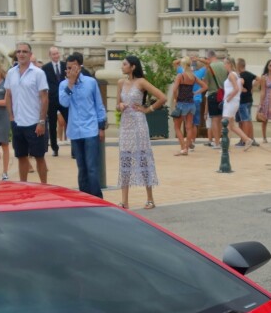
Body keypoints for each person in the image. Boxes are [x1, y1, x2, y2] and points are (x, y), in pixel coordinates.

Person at [116, 55, 164, 210]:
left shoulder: (141, 82)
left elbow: (162, 97)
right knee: (125, 159)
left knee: (143, 158)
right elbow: (117, 104)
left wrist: (147, 109)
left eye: (124, 64)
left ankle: (150, 198)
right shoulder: (120, 82)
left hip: (138, 122)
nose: (122, 67)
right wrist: (120, 105)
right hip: (126, 124)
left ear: (133, 67)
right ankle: (124, 201)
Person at [58, 52, 106, 198]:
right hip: (75, 130)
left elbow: (99, 105)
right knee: (81, 167)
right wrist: (71, 83)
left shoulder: (91, 82)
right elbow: (63, 102)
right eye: (67, 68)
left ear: (79, 67)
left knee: (92, 167)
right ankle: (84, 198)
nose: (70, 71)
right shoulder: (64, 85)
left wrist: (101, 127)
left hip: (90, 129)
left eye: (73, 68)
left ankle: (97, 198)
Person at [4, 42, 49, 183]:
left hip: (35, 122)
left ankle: (44, 186)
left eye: (24, 51)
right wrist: (11, 117)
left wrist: (41, 121)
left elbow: (44, 98)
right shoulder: (11, 73)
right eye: (19, 51)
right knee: (21, 156)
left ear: (30, 54)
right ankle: (23, 185)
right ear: (16, 54)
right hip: (18, 122)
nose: (21, 54)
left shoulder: (38, 73)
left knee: (39, 156)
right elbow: (8, 95)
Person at [170, 57, 205, 156]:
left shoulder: (180, 76)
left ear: (183, 65)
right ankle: (186, 148)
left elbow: (174, 89)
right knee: (189, 127)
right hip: (191, 104)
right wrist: (196, 92)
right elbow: (205, 86)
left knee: (177, 127)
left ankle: (183, 148)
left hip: (181, 104)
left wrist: (176, 99)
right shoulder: (193, 77)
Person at [42, 46, 67, 156]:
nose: (56, 56)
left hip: (64, 98)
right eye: (53, 54)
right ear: (50, 55)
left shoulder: (65, 65)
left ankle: (74, 148)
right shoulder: (45, 68)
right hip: (51, 100)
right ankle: (54, 148)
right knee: (52, 125)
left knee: (69, 121)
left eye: (57, 53)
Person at [201, 50, 229, 147]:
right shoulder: (224, 65)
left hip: (213, 94)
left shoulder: (209, 68)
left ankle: (216, 142)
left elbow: (205, 84)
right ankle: (221, 140)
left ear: (208, 58)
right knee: (221, 118)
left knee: (214, 119)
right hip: (223, 94)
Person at [222, 66, 254, 150]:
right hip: (234, 102)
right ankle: (247, 139)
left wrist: (228, 98)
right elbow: (240, 88)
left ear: (228, 64)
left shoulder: (232, 75)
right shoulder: (237, 75)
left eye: (225, 64)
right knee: (232, 126)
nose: (223, 66)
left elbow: (236, 89)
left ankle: (226, 148)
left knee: (227, 126)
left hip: (230, 102)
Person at [236, 58, 259, 146]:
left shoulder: (240, 75)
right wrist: (252, 87)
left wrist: (242, 88)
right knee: (248, 120)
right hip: (249, 100)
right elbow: (259, 79)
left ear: (238, 66)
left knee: (243, 121)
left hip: (242, 101)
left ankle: (244, 140)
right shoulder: (249, 74)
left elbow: (240, 84)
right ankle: (251, 139)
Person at [255, 59, 271, 144]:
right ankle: (264, 137)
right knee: (265, 119)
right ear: (267, 67)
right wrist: (261, 103)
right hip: (266, 100)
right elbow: (263, 90)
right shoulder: (264, 77)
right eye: (270, 65)